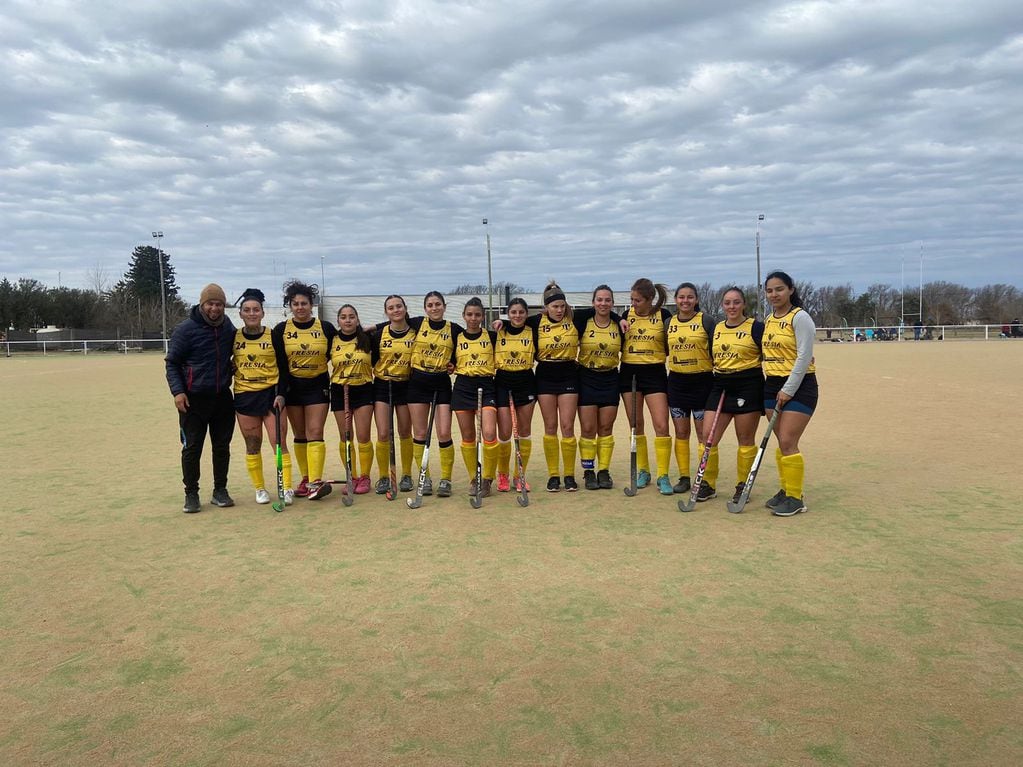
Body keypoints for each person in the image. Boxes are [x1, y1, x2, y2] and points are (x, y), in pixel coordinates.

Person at [165, 283, 237, 513]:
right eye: (210, 303)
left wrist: (233, 367)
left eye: (219, 304)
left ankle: (220, 490)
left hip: (222, 397)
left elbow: (236, 353)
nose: (215, 308)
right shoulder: (185, 329)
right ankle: (191, 494)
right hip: (192, 400)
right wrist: (178, 392)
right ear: (202, 304)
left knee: (222, 446)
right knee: (192, 447)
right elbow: (172, 363)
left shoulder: (228, 327)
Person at [699, 287, 765, 504]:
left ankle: (742, 485)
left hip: (748, 384)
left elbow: (773, 352)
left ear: (744, 304)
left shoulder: (756, 327)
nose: (732, 307)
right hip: (720, 383)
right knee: (708, 437)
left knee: (745, 438)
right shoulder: (717, 328)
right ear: (722, 305)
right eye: (727, 303)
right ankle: (707, 484)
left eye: (736, 302)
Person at [272, 281, 335, 500]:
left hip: (317, 386)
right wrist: (280, 392)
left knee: (315, 432)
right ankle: (306, 478)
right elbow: (279, 364)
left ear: (312, 304)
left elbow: (338, 350)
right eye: (295, 303)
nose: (300, 307)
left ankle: (316, 482)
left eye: (304, 303)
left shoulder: (325, 328)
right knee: (300, 435)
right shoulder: (281, 330)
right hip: (292, 389)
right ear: (290, 305)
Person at [762, 271, 818, 517]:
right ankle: (787, 489)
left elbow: (804, 357)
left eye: (779, 289)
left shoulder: (800, 317)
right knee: (781, 441)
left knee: (787, 440)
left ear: (791, 290)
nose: (774, 294)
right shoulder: (769, 319)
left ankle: (796, 499)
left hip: (799, 386)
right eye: (770, 290)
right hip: (771, 384)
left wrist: (788, 389)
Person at [232, 288, 293, 506]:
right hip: (245, 396)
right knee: (252, 444)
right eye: (247, 310)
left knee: (278, 443)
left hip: (271, 396)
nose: (251, 313)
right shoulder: (234, 336)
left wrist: (282, 394)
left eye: (255, 310)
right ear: (240, 314)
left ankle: (286, 487)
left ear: (262, 313)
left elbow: (284, 368)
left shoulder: (273, 335)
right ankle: (260, 489)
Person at [620, 278, 675, 495]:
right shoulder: (626, 316)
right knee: (636, 424)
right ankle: (643, 470)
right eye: (631, 299)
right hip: (629, 373)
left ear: (650, 299)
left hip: (655, 373)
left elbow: (671, 344)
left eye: (637, 300)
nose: (633, 304)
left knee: (661, 425)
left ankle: (663, 474)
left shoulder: (664, 317)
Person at [406, 291, 461, 497]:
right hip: (418, 383)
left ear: (444, 306)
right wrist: (370, 328)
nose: (434, 308)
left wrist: (453, 363)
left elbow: (463, 350)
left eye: (438, 304)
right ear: (425, 308)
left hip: (441, 383)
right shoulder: (418, 323)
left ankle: (446, 479)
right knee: (420, 434)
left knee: (444, 433)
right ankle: (425, 477)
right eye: (430, 305)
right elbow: (392, 324)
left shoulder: (454, 329)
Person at [665, 282, 716, 495]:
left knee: (703, 434)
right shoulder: (668, 322)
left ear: (696, 299)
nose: (685, 301)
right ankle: (684, 477)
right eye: (681, 297)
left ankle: (704, 479)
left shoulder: (706, 320)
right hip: (677, 383)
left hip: (702, 382)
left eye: (690, 297)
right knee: (681, 432)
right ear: (676, 300)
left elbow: (717, 349)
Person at [576, 285, 622, 490]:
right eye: (599, 300)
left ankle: (603, 470)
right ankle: (588, 471)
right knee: (588, 428)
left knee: (605, 427)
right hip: (586, 377)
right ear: (593, 302)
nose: (603, 304)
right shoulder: (583, 322)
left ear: (612, 303)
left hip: (610, 379)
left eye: (607, 300)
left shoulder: (620, 325)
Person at [451, 298, 499, 496]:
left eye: (477, 315)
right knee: (468, 436)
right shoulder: (456, 337)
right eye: (469, 314)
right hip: (463, 387)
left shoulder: (493, 336)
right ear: (464, 316)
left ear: (483, 316)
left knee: (488, 433)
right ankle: (474, 478)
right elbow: (450, 361)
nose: (473, 318)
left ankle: (487, 478)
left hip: (487, 385)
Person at [369, 295, 416, 493]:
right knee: (382, 433)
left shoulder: (416, 332)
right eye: (391, 308)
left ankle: (406, 474)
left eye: (399, 306)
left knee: (405, 432)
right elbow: (371, 361)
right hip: (382, 385)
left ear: (405, 308)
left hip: (406, 386)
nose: (395, 310)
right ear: (386, 312)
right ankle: (383, 476)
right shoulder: (378, 335)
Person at [329, 304, 375, 494]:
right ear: (338, 321)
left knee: (363, 436)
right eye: (343, 317)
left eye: (351, 316)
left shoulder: (368, 339)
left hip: (363, 389)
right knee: (345, 436)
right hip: (340, 390)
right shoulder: (332, 340)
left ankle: (365, 477)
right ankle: (352, 476)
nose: (347, 320)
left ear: (357, 319)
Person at [494, 297, 537, 492]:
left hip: (526, 382)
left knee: (524, 431)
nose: (517, 316)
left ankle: (519, 476)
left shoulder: (532, 330)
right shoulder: (497, 331)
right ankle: (502, 475)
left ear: (526, 314)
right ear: (508, 313)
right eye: (513, 312)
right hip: (503, 382)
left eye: (521, 312)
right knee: (504, 433)